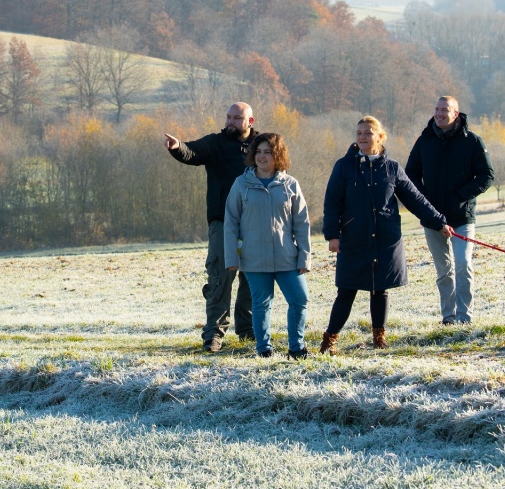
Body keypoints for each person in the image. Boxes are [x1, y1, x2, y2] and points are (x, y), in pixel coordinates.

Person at [320, 116, 453, 354]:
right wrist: (332, 235)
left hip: (385, 239)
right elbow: (332, 202)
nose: (362, 137)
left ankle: (379, 338)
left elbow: (416, 199)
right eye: (359, 133)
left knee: (379, 289)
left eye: (368, 133)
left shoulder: (392, 168)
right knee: (346, 290)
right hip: (354, 238)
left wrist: (439, 222)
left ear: (380, 137)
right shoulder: (344, 166)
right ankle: (329, 340)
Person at [165, 102, 258, 352]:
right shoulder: (215, 143)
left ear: (250, 121)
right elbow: (192, 152)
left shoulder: (262, 144)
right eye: (228, 117)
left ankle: (249, 331)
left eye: (237, 118)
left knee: (253, 278)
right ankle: (214, 335)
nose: (231, 122)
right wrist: (177, 147)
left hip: (256, 223)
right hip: (222, 222)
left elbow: (279, 164)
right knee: (219, 278)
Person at [405, 96, 494, 325]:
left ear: (456, 113)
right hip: (432, 218)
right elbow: (410, 174)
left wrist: (461, 196)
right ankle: (449, 317)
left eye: (445, 109)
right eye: (436, 109)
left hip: (462, 216)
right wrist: (424, 201)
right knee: (444, 270)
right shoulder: (424, 140)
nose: (439, 113)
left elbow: (487, 176)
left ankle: (465, 317)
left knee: (463, 265)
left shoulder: (472, 141)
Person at [224, 133, 311, 359]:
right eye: (259, 152)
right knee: (261, 304)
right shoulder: (241, 184)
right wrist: (232, 258)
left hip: (287, 256)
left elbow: (302, 223)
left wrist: (305, 257)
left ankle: (296, 348)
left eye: (268, 152)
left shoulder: (290, 184)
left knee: (299, 298)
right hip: (254, 258)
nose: (263, 157)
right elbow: (231, 223)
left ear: (278, 155)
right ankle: (264, 349)